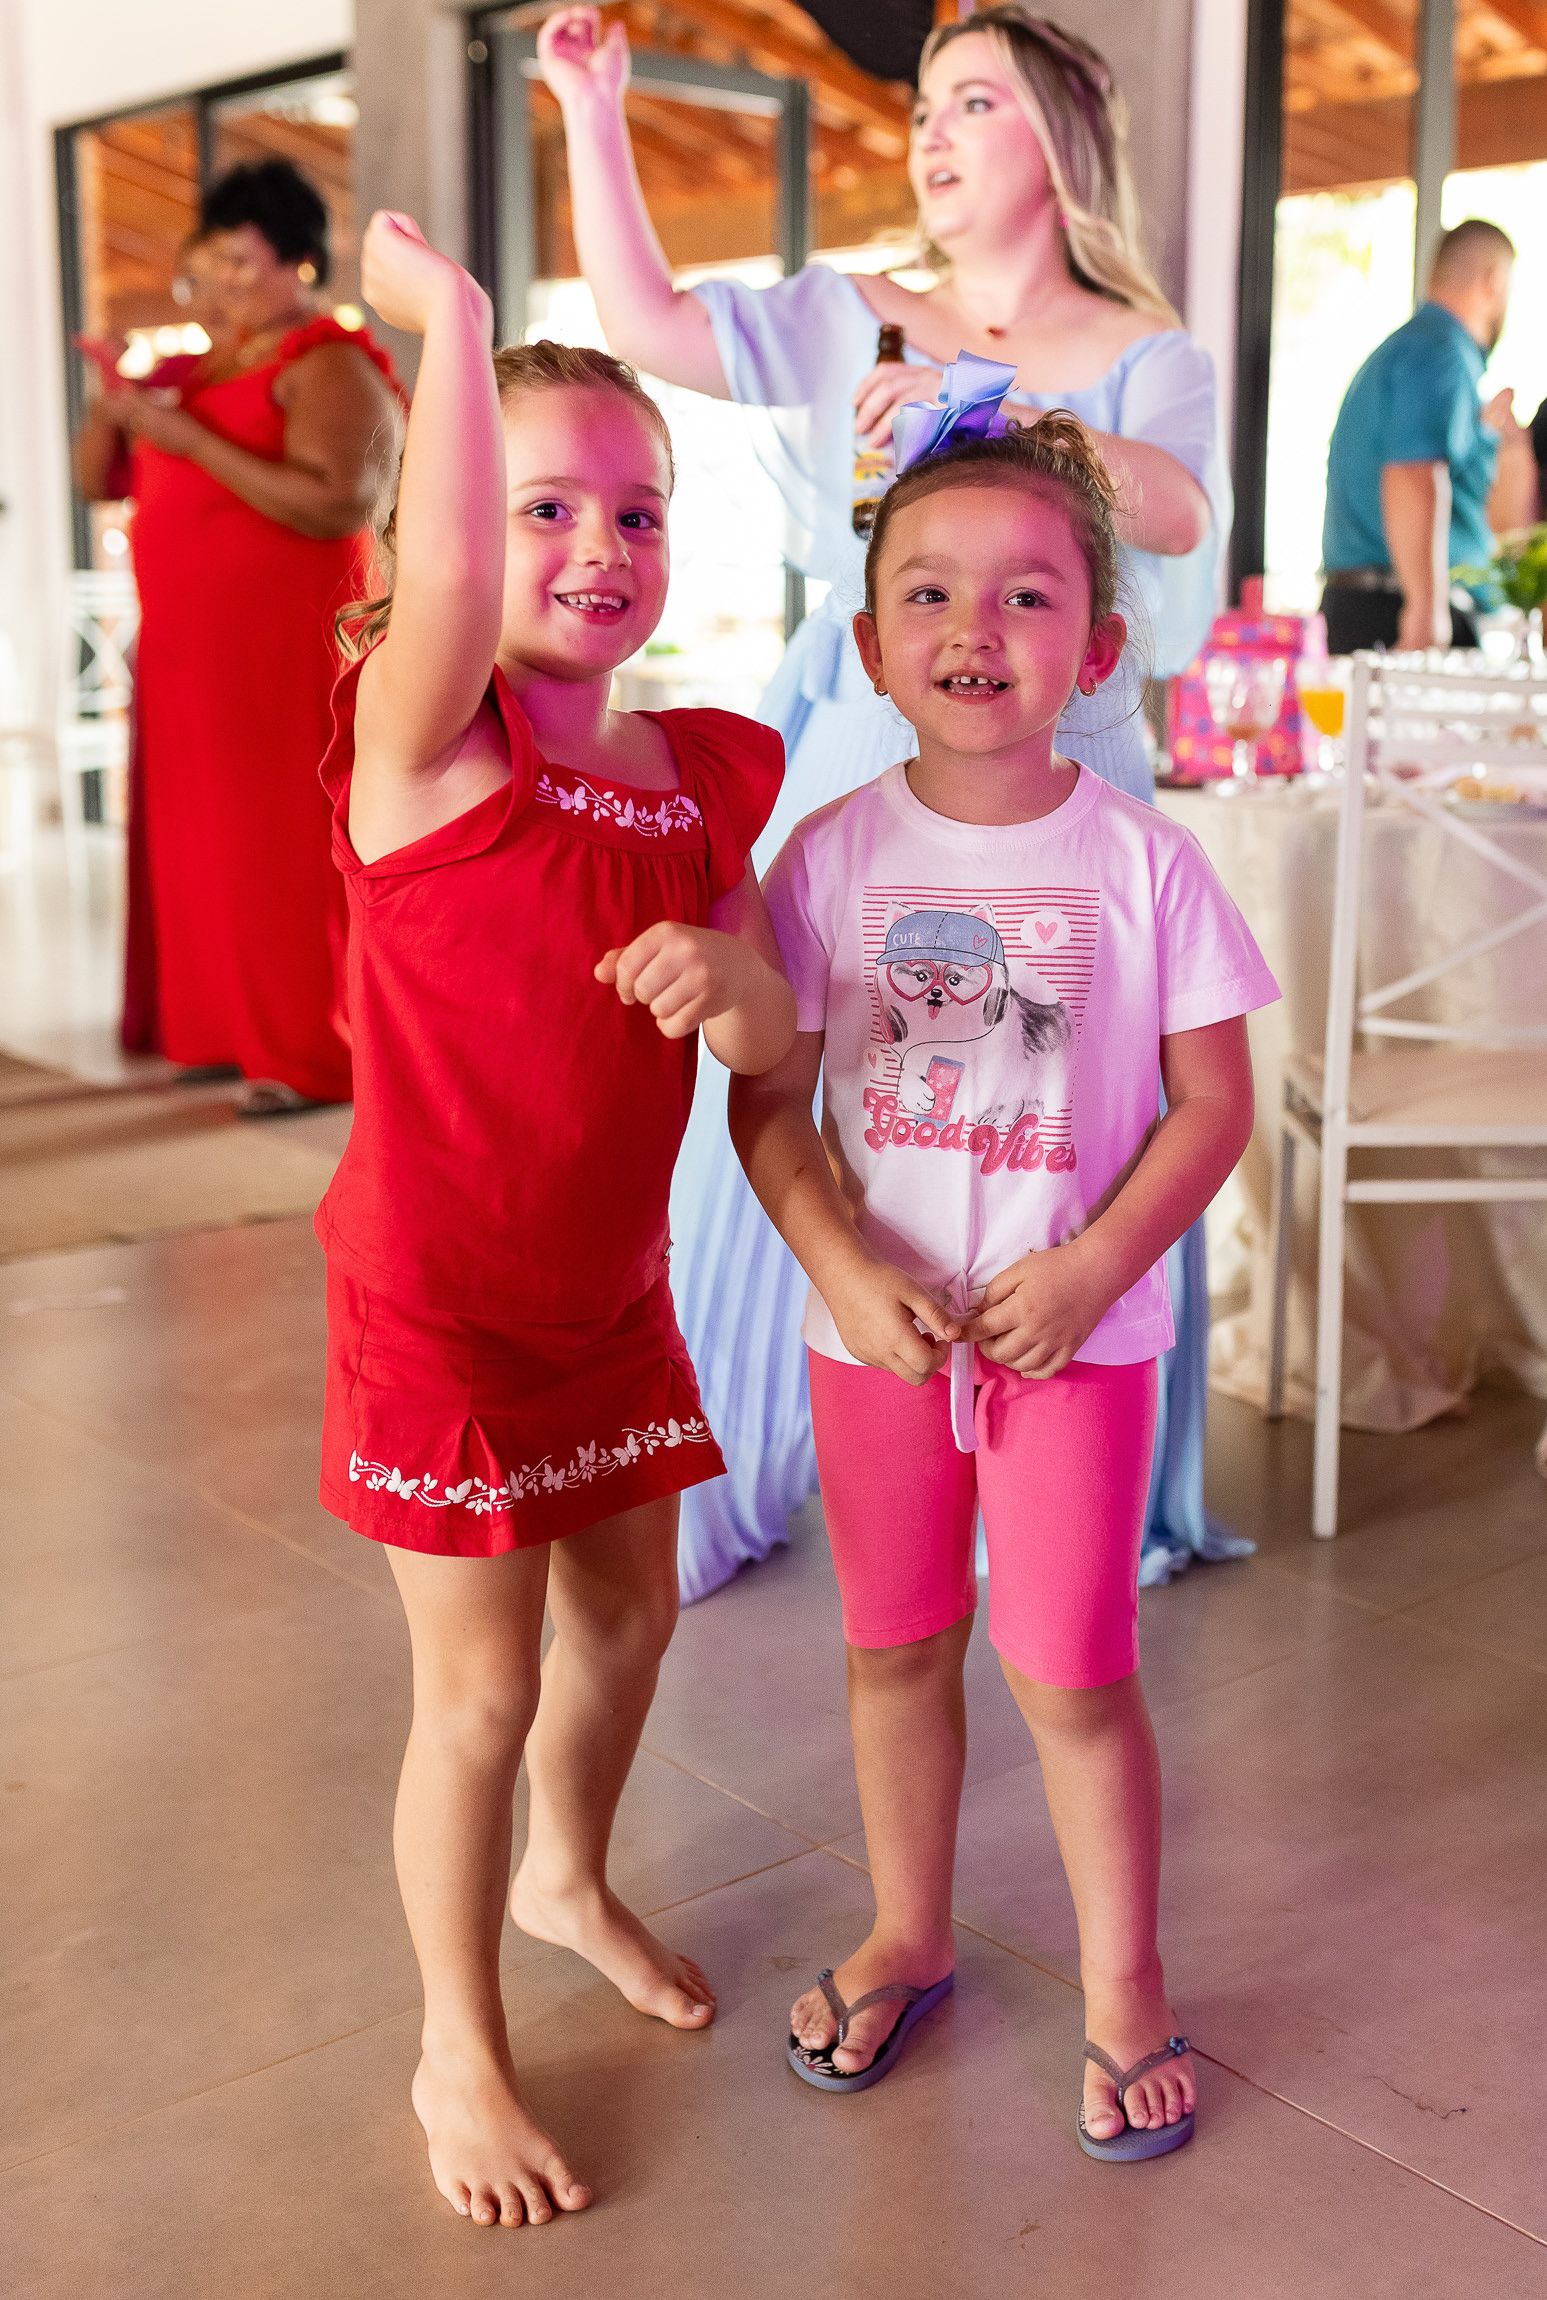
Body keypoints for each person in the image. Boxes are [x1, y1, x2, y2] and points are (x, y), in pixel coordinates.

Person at [538, 3, 1235, 1601]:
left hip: (1068, 760)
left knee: (1065, 1110)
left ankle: (1065, 1474)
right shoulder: (854, 312)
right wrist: (591, 105)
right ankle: (734, 1460)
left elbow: (1177, 509)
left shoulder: (1146, 353)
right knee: (793, 1076)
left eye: (969, 101)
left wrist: (989, 414)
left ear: (1057, 141)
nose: (928, 132)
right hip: (865, 742)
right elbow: (646, 319)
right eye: (922, 106)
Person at [318, 209, 794, 2228]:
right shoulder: (431, 743)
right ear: (450, 528)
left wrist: (733, 983)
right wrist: (454, 323)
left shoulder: (697, 773)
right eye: (545, 509)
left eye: (637, 511)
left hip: (611, 1294)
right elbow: (437, 579)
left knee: (631, 1615)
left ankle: (565, 1876)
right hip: (436, 1305)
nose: (599, 545)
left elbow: (772, 1034)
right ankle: (455, 2042)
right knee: (482, 1692)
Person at [730, 400, 1278, 2153]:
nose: (975, 627)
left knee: (1070, 1676)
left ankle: (1125, 1984)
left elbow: (1214, 1105)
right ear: (870, 642)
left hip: (1078, 1346)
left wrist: (1093, 1266)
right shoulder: (824, 861)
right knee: (894, 1650)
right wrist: (839, 1266)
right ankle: (908, 1930)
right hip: (873, 1343)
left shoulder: (1143, 863)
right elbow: (767, 1107)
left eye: (1026, 595)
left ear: (1097, 647)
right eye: (930, 592)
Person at [73, 159, 402, 1113]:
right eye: (209, 264)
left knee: (279, 849)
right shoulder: (196, 370)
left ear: (300, 264)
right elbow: (98, 480)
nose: (222, 284)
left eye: (243, 263)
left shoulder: (328, 364)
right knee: (201, 847)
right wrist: (111, 402)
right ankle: (220, 1029)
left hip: (282, 653)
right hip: (189, 657)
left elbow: (341, 499)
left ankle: (307, 1051)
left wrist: (190, 442)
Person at [1320, 219, 1519, 654]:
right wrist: (1426, 608)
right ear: (1493, 281)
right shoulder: (1439, 352)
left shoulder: (1411, 349)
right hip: (1395, 609)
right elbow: (1414, 472)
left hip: (1375, 600)